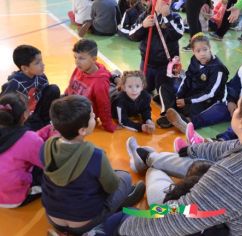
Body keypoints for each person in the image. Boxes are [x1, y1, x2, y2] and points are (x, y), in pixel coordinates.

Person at [121, 86, 242, 235]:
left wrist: (126, 227)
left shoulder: (234, 175)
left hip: (221, 223)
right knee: (198, 163)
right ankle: (148, 157)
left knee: (158, 179)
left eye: (238, 107)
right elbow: (224, 148)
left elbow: (178, 215)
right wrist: (191, 149)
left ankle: (149, 163)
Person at [41, 95, 145, 235]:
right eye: (91, 115)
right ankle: (95, 229)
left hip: (53, 218)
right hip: (84, 222)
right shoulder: (95, 155)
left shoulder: (46, 146)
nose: (94, 115)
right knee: (124, 177)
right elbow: (111, 186)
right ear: (82, 130)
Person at [157, 33, 229, 132]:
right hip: (192, 93)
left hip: (207, 100)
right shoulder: (194, 59)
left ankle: (178, 117)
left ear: (210, 48)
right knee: (164, 88)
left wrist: (187, 101)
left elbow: (210, 93)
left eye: (205, 49)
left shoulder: (218, 68)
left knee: (192, 109)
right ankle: (169, 114)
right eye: (198, 51)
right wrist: (179, 96)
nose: (202, 53)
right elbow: (187, 78)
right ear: (193, 51)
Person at [129, 0, 184, 94]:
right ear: (154, 2)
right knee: (145, 88)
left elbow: (178, 34)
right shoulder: (145, 16)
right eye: (163, 1)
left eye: (168, 1)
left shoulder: (175, 17)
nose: (167, 3)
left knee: (164, 91)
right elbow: (132, 35)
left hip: (166, 65)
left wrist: (168, 17)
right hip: (147, 63)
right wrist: (143, 26)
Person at [1, 45, 60, 131]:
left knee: (53, 89)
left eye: (41, 61)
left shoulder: (41, 76)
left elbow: (46, 98)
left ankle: (46, 121)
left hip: (37, 111)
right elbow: (6, 106)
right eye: (37, 63)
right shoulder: (15, 84)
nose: (42, 65)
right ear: (25, 68)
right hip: (24, 117)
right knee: (28, 128)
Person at [0, 93, 44, 208]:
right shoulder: (30, 138)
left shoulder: (29, 138)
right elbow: (47, 163)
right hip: (12, 199)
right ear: (25, 115)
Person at [65, 39, 118, 133]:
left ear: (93, 59)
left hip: (82, 115)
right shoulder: (81, 68)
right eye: (75, 57)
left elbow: (104, 105)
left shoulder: (99, 82)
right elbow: (71, 85)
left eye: (81, 58)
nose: (77, 62)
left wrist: (108, 125)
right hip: (71, 104)